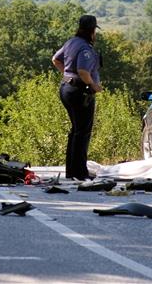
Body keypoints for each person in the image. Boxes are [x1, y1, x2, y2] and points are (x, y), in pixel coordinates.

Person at [52, 15, 103, 181]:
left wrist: (67, 76)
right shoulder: (85, 48)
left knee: (76, 131)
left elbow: (56, 59)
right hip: (80, 91)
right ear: (92, 31)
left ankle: (72, 171)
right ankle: (80, 172)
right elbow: (82, 71)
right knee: (83, 132)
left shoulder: (71, 42)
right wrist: (93, 85)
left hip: (67, 88)